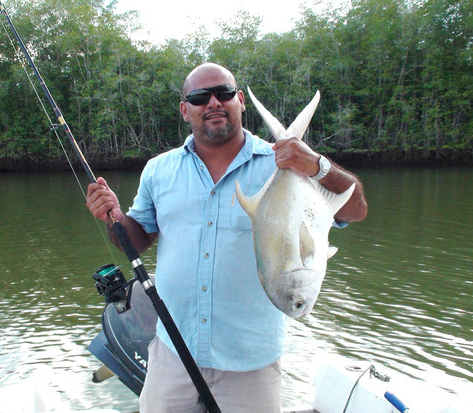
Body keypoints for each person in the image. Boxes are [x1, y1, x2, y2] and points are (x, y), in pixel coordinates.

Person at [86, 62, 368, 412]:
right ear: (184, 109)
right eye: (200, 96)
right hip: (174, 352)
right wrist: (113, 215)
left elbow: (355, 210)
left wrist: (317, 165)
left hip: (250, 362)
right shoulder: (159, 170)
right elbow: (138, 239)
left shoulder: (283, 162)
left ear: (240, 102)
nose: (213, 103)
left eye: (224, 93)